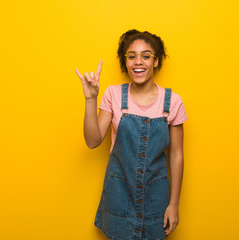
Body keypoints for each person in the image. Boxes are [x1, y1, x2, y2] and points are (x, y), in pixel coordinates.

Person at [75, 29, 187, 240]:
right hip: (119, 195)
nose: (138, 62)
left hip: (157, 199)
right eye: (131, 56)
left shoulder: (172, 102)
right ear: (124, 61)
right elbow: (92, 141)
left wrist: (174, 203)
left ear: (155, 61)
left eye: (146, 56)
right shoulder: (113, 95)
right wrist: (90, 99)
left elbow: (176, 155)